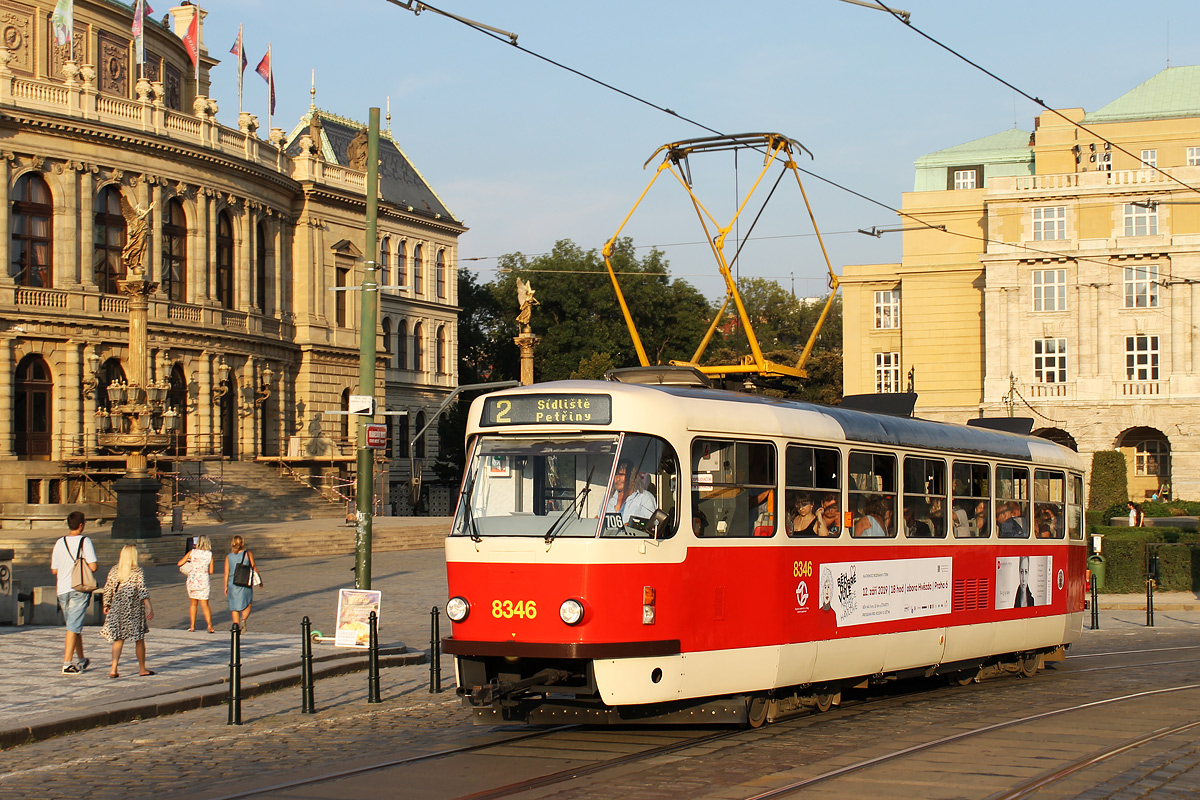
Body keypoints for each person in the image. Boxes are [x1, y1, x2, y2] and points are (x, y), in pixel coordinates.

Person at [50, 511, 97, 674]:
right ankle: (67, 663)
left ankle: (82, 659)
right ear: (81, 525)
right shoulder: (85, 541)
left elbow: (54, 570)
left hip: (62, 589)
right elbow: (93, 567)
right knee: (73, 627)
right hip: (78, 588)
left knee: (74, 625)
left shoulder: (59, 542)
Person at [100, 545, 155, 678]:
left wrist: (106, 604)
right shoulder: (137, 571)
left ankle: (113, 668)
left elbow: (108, 588)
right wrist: (149, 606)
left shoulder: (114, 570)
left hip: (118, 608)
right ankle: (142, 668)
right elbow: (141, 590)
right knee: (139, 638)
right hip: (133, 608)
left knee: (118, 639)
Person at [177, 535, 215, 633]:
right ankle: (209, 625)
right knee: (205, 604)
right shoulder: (209, 554)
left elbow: (180, 563)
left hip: (193, 579)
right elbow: (211, 571)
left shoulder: (192, 552)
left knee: (193, 604)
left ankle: (192, 626)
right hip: (204, 580)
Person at [224, 535, 259, 629]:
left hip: (233, 583)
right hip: (245, 581)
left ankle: (236, 625)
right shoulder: (248, 554)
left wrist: (225, 586)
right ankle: (243, 620)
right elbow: (254, 567)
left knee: (234, 607)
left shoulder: (229, 556)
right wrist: (260, 580)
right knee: (247, 602)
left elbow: (226, 572)